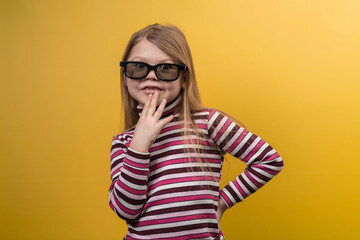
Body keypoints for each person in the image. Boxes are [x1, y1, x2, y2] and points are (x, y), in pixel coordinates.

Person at [109, 23, 284, 240]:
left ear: (184, 78)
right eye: (138, 67)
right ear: (126, 77)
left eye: (165, 68)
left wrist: (222, 203)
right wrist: (140, 144)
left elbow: (269, 160)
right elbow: (126, 210)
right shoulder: (123, 142)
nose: (151, 76)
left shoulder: (208, 123)